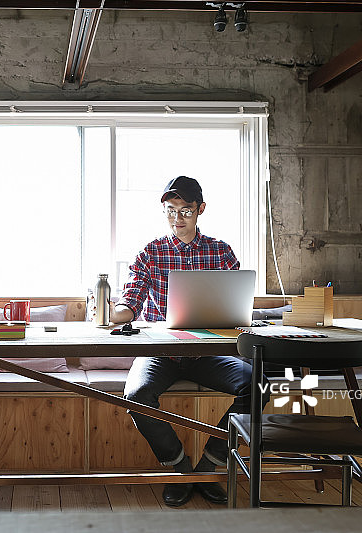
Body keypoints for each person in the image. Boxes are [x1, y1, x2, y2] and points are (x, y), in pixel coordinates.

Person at [110, 175, 268, 508]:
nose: (177, 219)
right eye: (170, 211)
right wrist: (115, 312)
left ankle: (209, 466)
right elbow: (132, 300)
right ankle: (181, 469)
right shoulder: (151, 252)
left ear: (200, 210)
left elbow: (238, 306)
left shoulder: (220, 251)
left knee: (258, 385)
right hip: (161, 353)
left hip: (207, 354)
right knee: (137, 395)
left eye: (185, 211)